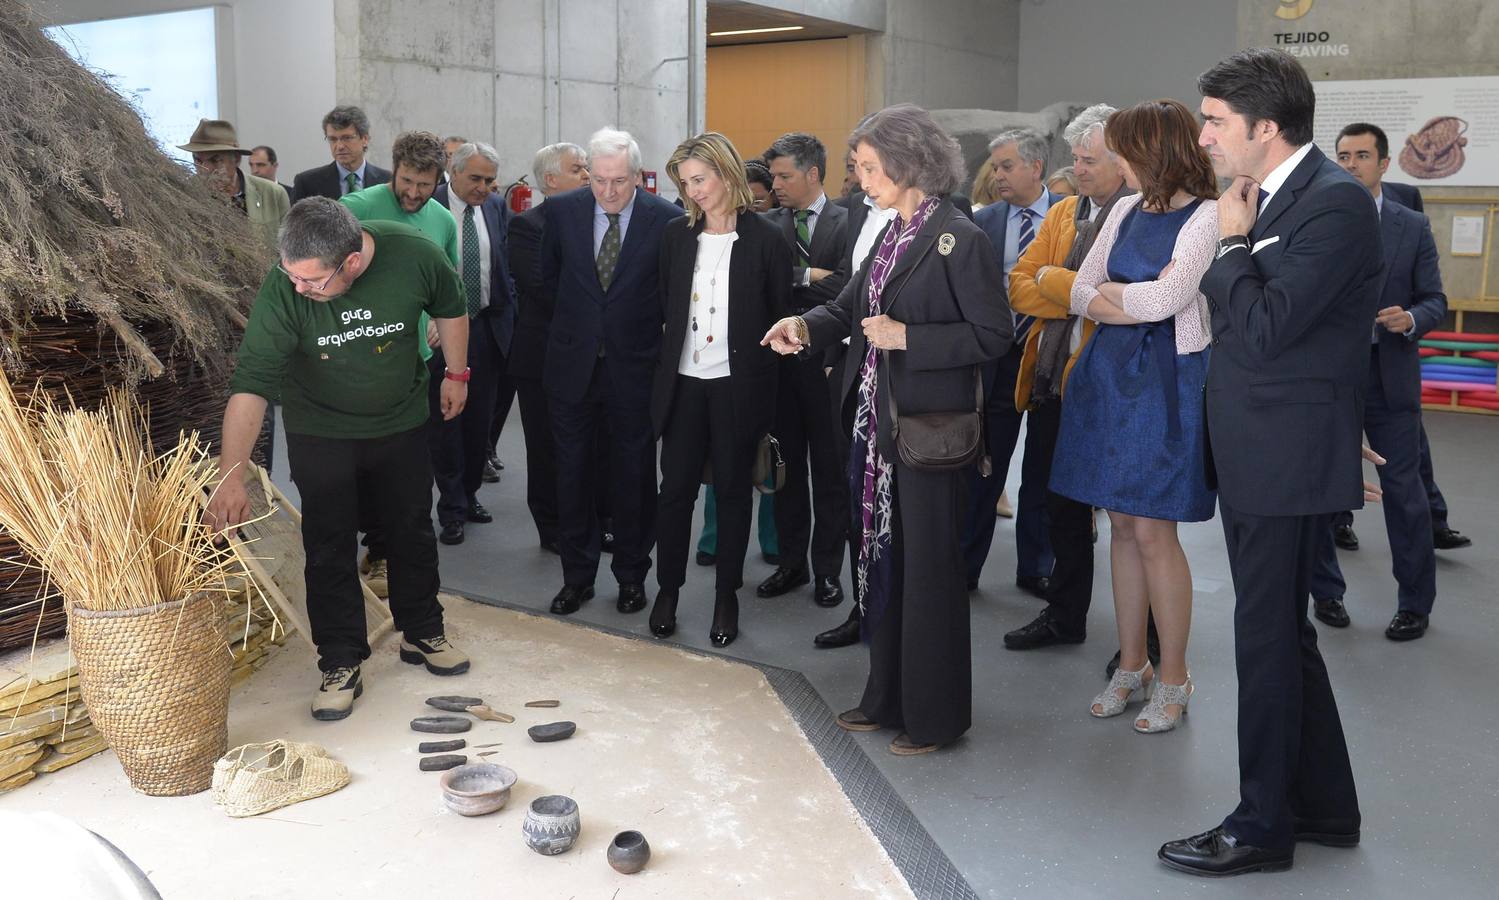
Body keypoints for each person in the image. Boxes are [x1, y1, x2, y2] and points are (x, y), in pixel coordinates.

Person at [1157, 48, 1383, 877]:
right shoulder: (1267, 197)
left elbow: (1262, 328)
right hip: (1263, 450)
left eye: (1215, 122)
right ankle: (1325, 806)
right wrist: (1237, 234)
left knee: (1262, 640)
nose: (1205, 135)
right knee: (1282, 636)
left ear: (1266, 127)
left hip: (1285, 458)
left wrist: (1228, 246)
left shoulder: (1332, 206)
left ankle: (1260, 828)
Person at [763, 104, 1011, 755]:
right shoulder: (890, 230)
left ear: (909, 163)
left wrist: (911, 338)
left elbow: (994, 334)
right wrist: (804, 328)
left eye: (870, 167)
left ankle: (934, 718)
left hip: (928, 433)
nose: (861, 179)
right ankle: (886, 699)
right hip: (878, 428)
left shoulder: (961, 237)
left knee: (928, 576)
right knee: (886, 569)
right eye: (859, 168)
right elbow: (851, 305)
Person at [205, 198, 472, 721]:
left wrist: (457, 373)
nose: (299, 288)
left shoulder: (414, 254)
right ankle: (340, 659)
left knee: (411, 527)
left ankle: (422, 631)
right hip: (320, 427)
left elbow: (451, 305)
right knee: (328, 541)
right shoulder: (285, 288)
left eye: (312, 281)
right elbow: (252, 384)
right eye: (292, 276)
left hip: (400, 420)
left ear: (351, 262)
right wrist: (230, 475)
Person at [1049, 100, 1219, 735]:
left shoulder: (1206, 217)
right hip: (1108, 377)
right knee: (1121, 526)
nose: (1115, 160)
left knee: (1154, 532)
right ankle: (1132, 662)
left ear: (1155, 150)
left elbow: (1172, 298)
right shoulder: (1123, 208)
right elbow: (1076, 288)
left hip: (1167, 383)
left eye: (1122, 148)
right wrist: (1123, 301)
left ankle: (1173, 675)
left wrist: (1115, 299)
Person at [999, 104, 1134, 657]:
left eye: (1089, 159)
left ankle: (1144, 637)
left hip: (1117, 389)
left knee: (1130, 520)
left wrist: (1064, 289)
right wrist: (1077, 294)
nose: (1077, 169)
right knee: (1061, 507)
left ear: (1124, 161)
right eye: (1074, 158)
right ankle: (1065, 614)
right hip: (1054, 383)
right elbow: (1019, 286)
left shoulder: (1143, 218)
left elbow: (1127, 305)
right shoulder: (1062, 215)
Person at [651, 133, 791, 647]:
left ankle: (726, 598)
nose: (693, 192)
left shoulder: (768, 240)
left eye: (700, 179)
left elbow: (779, 319)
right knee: (674, 494)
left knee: (733, 494)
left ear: (727, 173)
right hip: (684, 385)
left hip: (739, 389)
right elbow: (667, 309)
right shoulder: (674, 236)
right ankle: (667, 589)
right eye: (686, 183)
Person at [1307, 122, 1446, 638]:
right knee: (1319, 492)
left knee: (1405, 494)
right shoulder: (1318, 219)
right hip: (1327, 380)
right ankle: (1326, 592)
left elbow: (1435, 299)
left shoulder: (1411, 225)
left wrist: (1410, 319)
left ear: (1384, 163)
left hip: (1389, 376)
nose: (1350, 164)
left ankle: (1414, 602)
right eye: (1342, 155)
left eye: (1361, 155)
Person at [541, 128, 684, 617]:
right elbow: (548, 285)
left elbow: (671, 298)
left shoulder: (666, 221)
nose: (607, 192)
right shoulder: (561, 213)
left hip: (636, 369)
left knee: (634, 476)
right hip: (572, 368)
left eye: (618, 181)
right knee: (573, 474)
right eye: (598, 180)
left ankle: (630, 576)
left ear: (638, 177)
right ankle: (576, 578)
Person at [338, 131, 456, 591]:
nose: (413, 192)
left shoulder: (442, 221)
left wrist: (437, 321)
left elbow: (449, 290)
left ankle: (386, 551)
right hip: (358, 361)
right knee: (359, 463)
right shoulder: (357, 207)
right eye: (407, 181)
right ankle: (374, 542)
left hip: (415, 362)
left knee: (403, 464)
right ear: (394, 168)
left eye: (424, 185)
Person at [963, 128, 1063, 597]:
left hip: (1047, 359)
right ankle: (964, 567)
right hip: (998, 360)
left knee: (1041, 470)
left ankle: (1035, 567)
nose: (996, 175)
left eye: (1005, 166)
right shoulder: (984, 220)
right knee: (986, 466)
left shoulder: (1067, 220)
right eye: (995, 166)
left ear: (1035, 167)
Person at [759, 133, 852, 610]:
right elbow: (764, 286)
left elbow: (848, 288)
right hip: (780, 370)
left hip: (830, 367)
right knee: (786, 469)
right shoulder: (766, 224)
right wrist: (813, 276)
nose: (774, 184)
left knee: (831, 471)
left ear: (814, 174)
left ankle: (827, 571)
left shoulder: (850, 221)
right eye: (773, 175)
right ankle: (790, 563)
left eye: (783, 175)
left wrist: (801, 279)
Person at [432, 142, 518, 545]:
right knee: (448, 421)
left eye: (489, 180)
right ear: (454, 169)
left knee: (479, 422)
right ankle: (450, 508)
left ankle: (469, 496)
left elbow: (504, 265)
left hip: (485, 328)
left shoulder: (496, 208)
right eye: (476, 179)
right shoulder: (430, 204)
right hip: (440, 331)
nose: (483, 187)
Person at [509, 142, 590, 554]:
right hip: (541, 356)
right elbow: (542, 288)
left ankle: (590, 520)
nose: (588, 176)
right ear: (551, 181)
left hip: (588, 354)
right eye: (578, 169)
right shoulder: (528, 226)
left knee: (585, 442)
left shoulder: (598, 222)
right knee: (545, 446)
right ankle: (552, 526)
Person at [177, 119, 289, 252]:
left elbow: (289, 251)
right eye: (197, 160)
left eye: (215, 160)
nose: (205, 168)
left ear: (236, 159)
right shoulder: (183, 195)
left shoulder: (272, 193)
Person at [290, 106, 391, 203]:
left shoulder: (387, 181)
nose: (339, 146)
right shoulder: (307, 183)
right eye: (333, 139)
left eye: (347, 138)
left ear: (365, 139)